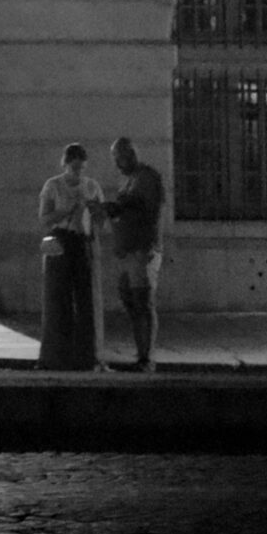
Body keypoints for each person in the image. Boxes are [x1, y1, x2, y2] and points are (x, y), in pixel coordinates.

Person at [36, 142, 105, 370]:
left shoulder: (92, 186)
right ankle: (56, 354)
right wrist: (66, 210)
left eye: (81, 168)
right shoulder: (53, 186)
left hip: (83, 241)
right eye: (74, 167)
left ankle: (87, 354)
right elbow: (44, 219)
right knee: (58, 297)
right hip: (61, 240)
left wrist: (95, 211)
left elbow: (100, 220)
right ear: (65, 164)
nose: (77, 172)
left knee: (86, 299)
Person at [102, 135, 165, 372]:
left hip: (143, 248)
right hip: (130, 250)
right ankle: (142, 352)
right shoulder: (130, 180)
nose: (116, 165)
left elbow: (141, 208)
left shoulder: (146, 178)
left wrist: (116, 207)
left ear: (129, 155)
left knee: (142, 300)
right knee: (129, 296)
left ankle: (146, 357)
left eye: (118, 159)